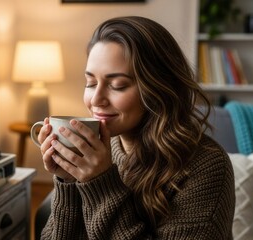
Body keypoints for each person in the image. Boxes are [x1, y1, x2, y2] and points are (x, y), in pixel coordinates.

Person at [34, 16, 235, 239]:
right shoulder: (97, 151)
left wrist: (100, 184)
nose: (96, 99)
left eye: (117, 85)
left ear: (157, 88)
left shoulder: (206, 167)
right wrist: (68, 181)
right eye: (90, 83)